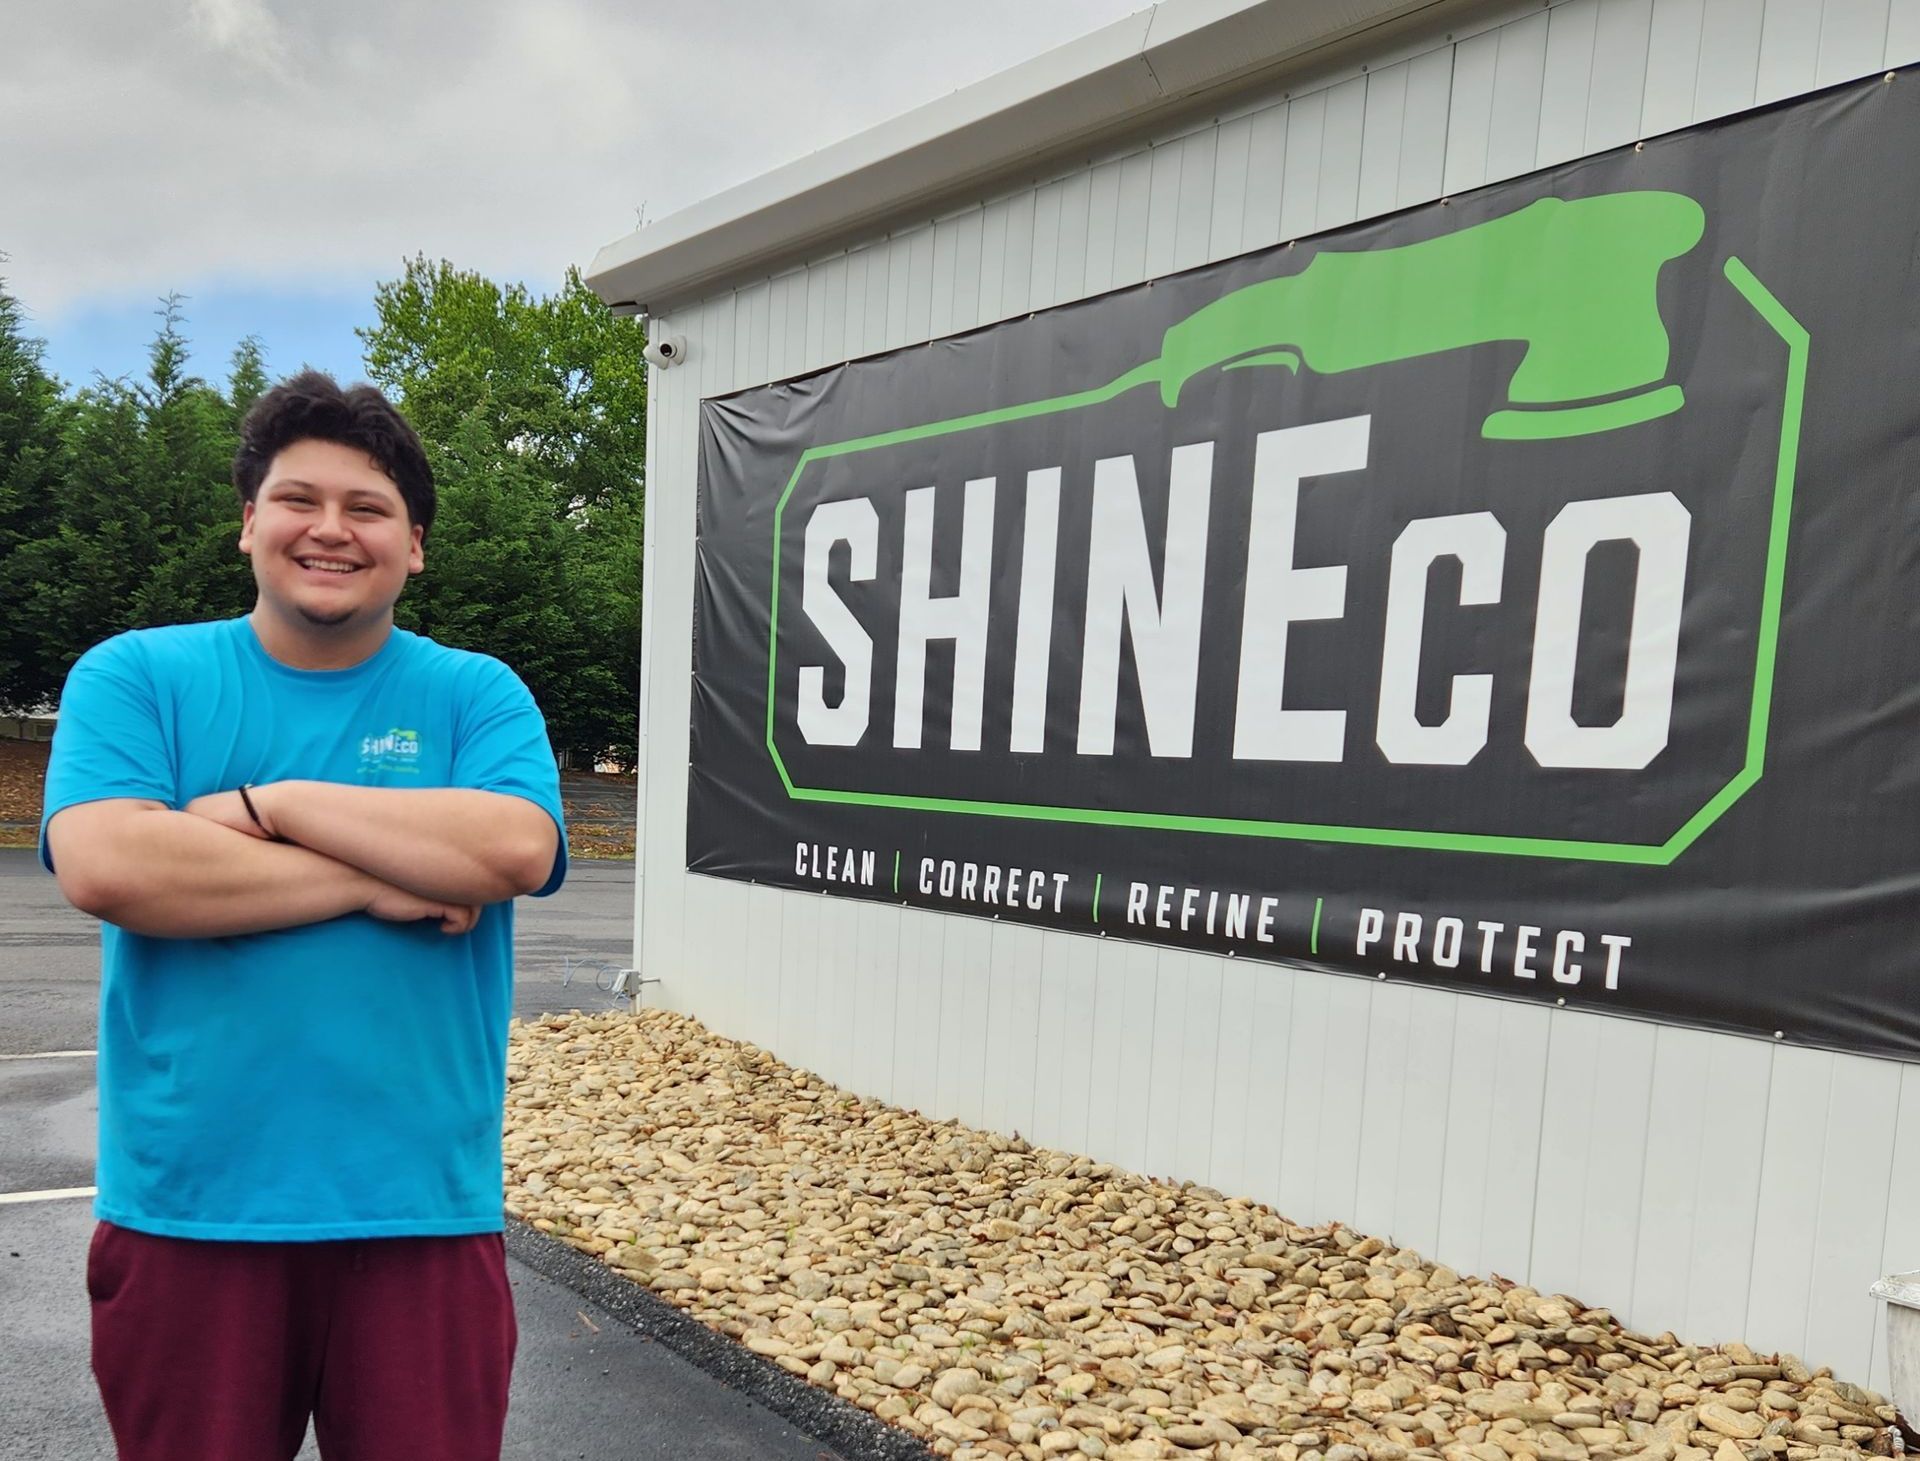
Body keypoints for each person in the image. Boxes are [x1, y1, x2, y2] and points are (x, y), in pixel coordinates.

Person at [39, 370, 568, 1460]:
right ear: (248, 524)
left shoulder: (476, 695)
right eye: (299, 500)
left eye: (368, 509)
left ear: (413, 545)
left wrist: (267, 806)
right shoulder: (138, 677)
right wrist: (380, 875)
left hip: (420, 1209)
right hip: (191, 1211)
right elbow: (110, 865)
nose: (331, 530)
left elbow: (511, 848)